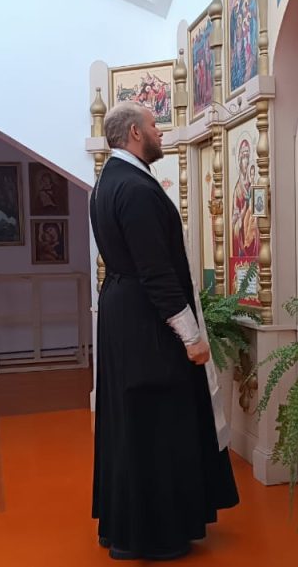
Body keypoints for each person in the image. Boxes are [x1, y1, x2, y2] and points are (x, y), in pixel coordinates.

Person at [90, 101, 239, 561]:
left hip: (125, 313)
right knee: (157, 419)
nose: (160, 132)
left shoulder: (109, 181)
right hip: (146, 320)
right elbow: (155, 271)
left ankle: (124, 524)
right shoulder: (135, 188)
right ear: (135, 133)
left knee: (132, 421)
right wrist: (192, 336)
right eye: (154, 125)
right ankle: (154, 534)